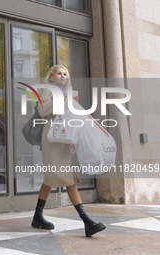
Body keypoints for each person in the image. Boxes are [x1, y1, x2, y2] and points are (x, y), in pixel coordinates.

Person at [31, 65, 106, 237]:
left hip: (63, 140)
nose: (63, 76)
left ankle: (37, 216)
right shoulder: (48, 91)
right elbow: (42, 111)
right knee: (68, 178)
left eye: (65, 73)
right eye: (59, 73)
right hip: (52, 141)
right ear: (51, 77)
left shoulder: (68, 93)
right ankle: (87, 221)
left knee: (52, 179)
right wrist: (61, 99)